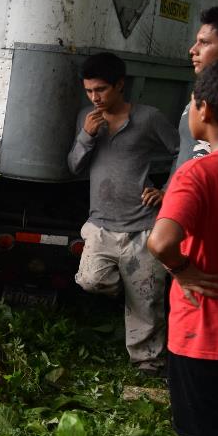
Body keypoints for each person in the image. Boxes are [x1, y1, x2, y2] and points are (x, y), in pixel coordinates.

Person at [147, 57, 218, 436]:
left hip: (209, 337)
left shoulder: (198, 174)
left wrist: (183, 270)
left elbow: (161, 241)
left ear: (206, 110)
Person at [67, 52, 178, 375]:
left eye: (100, 89)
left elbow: (182, 152)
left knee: (148, 301)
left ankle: (148, 364)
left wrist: (167, 190)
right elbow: (74, 166)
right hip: (100, 224)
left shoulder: (148, 118)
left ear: (120, 85)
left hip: (143, 225)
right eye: (89, 91)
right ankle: (127, 289)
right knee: (91, 280)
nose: (95, 97)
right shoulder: (86, 118)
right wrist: (86, 135)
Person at [170, 5, 218, 176]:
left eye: (204, 42)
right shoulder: (198, 98)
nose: (193, 50)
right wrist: (167, 190)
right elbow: (183, 154)